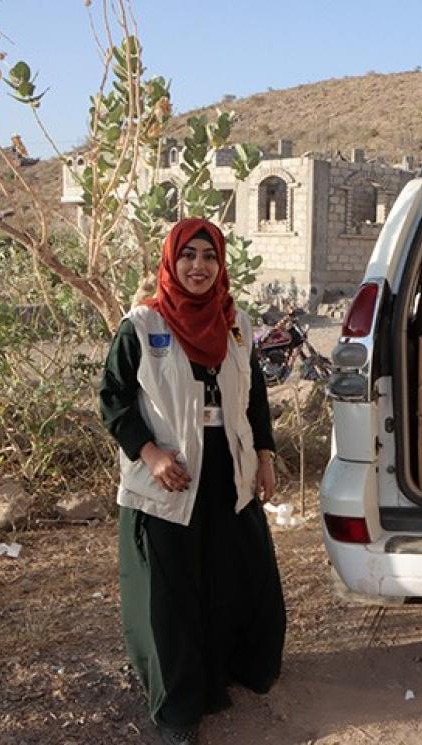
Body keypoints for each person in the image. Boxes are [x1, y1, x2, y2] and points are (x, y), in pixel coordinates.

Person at [100, 218, 286, 745]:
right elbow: (112, 400)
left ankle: (234, 669)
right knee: (171, 594)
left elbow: (253, 398)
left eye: (209, 256)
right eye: (189, 256)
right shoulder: (141, 325)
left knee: (237, 573)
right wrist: (150, 452)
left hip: (228, 470)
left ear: (220, 264)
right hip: (170, 480)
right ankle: (178, 708)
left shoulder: (236, 324)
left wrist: (265, 457)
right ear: (171, 262)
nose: (199, 267)